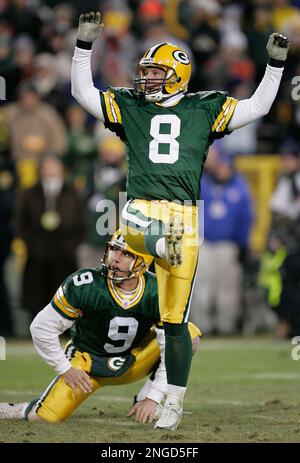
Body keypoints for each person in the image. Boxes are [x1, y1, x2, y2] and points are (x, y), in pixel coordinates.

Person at [71, 11, 289, 430]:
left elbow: (259, 105)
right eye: (145, 71)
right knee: (115, 266)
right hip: (143, 209)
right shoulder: (132, 104)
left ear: (176, 75)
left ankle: (171, 398)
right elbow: (83, 91)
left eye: (154, 72)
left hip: (183, 213)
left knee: (175, 322)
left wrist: (275, 65)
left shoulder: (204, 108)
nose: (146, 78)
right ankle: (92, 351)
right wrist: (84, 46)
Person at [0, 231, 200, 424]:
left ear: (142, 261)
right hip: (87, 364)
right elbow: (41, 327)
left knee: (187, 335)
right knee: (43, 417)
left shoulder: (157, 290)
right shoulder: (87, 284)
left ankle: (144, 398)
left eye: (126, 254)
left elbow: (171, 347)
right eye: (114, 250)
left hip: (133, 359)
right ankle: (19, 409)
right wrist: (65, 368)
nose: (116, 259)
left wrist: (154, 397)